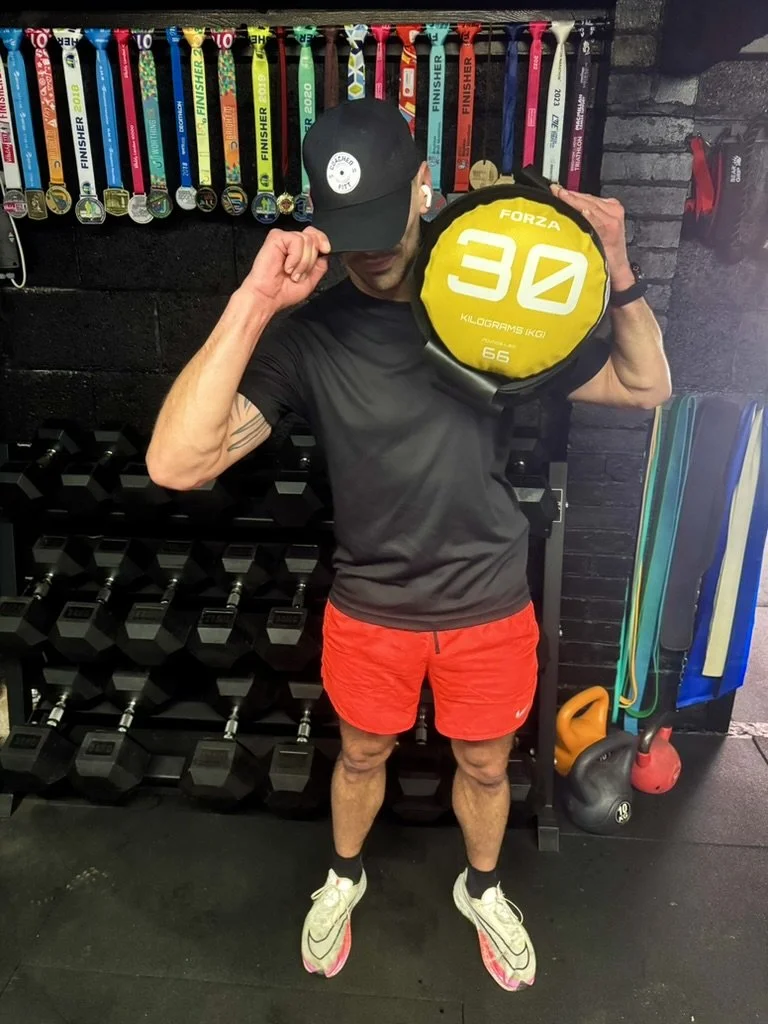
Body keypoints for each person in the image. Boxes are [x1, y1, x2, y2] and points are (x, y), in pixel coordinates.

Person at [147, 98, 671, 992]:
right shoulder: (310, 337)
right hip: (372, 608)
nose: (370, 249)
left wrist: (617, 268)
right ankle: (343, 877)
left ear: (425, 189)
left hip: (489, 603)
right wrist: (254, 299)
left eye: (385, 220)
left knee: (483, 763)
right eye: (346, 230)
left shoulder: (487, 298)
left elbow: (645, 384)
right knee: (359, 755)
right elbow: (175, 462)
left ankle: (484, 887)